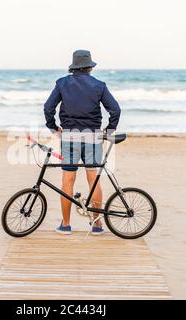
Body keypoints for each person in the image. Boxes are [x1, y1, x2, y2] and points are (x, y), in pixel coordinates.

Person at [43, 49, 121, 235]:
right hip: (93, 137)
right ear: (89, 67)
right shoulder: (99, 85)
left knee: (67, 180)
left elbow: (48, 108)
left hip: (69, 136)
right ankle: (97, 225)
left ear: (74, 67)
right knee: (93, 179)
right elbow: (115, 110)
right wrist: (109, 130)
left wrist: (53, 127)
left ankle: (66, 224)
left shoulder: (62, 83)